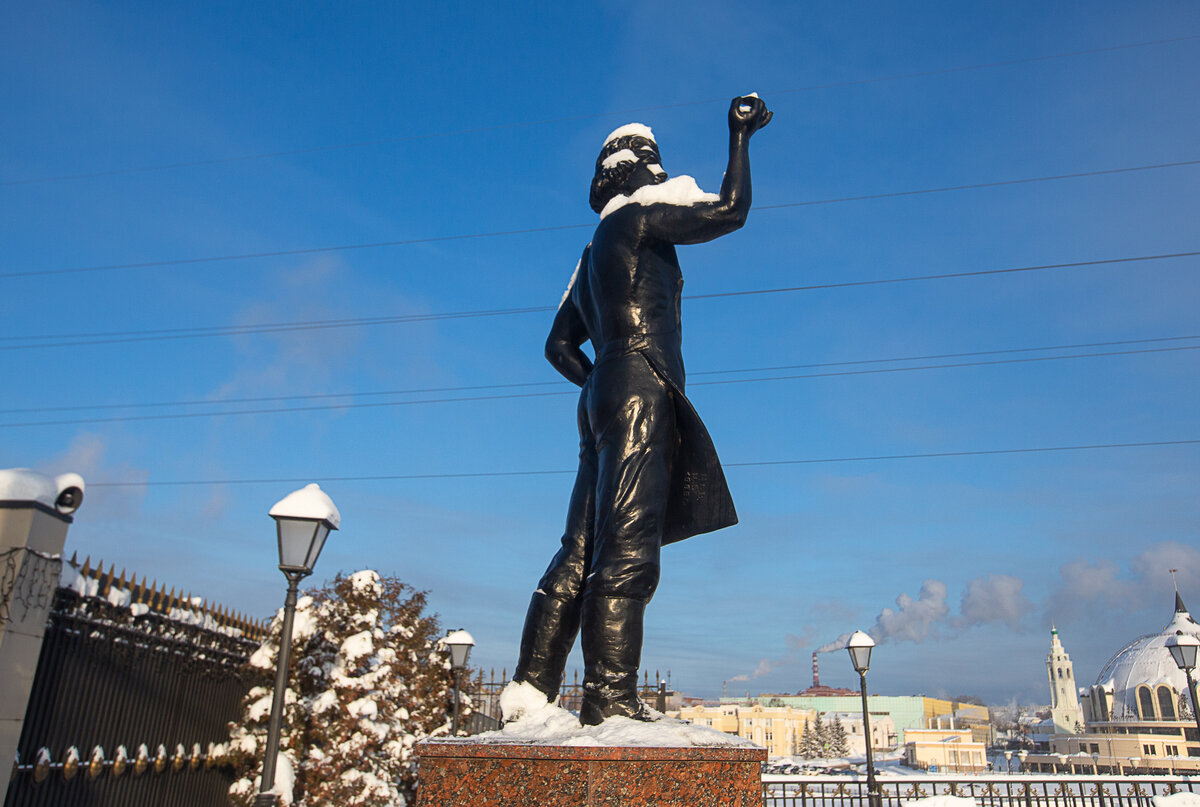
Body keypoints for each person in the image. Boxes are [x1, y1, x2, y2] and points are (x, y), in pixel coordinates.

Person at [508, 94, 772, 725]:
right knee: (625, 547)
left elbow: (557, 345)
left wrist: (600, 377)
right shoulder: (642, 217)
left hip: (603, 391)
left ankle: (530, 689)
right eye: (649, 160)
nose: (657, 170)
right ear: (630, 171)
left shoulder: (594, 249)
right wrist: (740, 137)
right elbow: (730, 210)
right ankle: (610, 698)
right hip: (640, 384)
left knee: (580, 544)